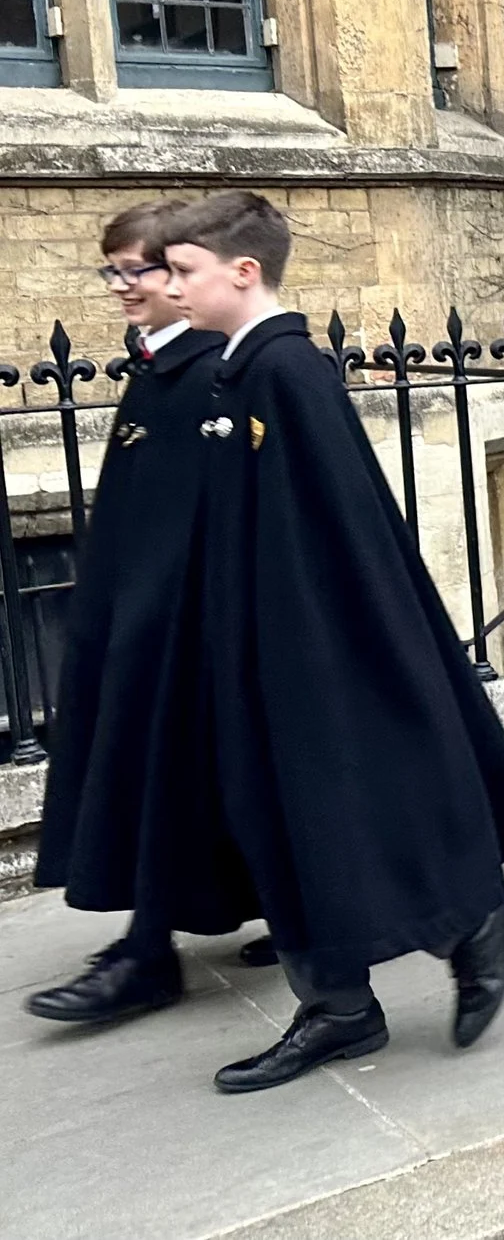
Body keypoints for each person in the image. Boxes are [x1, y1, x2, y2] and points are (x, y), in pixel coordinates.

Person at [154, 191, 504, 1093]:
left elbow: (342, 532)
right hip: (253, 647)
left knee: (343, 814)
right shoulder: (239, 368)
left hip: (310, 651)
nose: (170, 287)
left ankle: (468, 923)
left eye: (185, 270)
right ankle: (338, 1005)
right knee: (280, 824)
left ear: (243, 271)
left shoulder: (289, 373)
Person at [25, 199, 268, 1028]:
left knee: (175, 777)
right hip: (132, 617)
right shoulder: (157, 367)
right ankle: (278, 907)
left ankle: (147, 952)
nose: (126, 286)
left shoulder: (209, 373)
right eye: (116, 270)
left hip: (178, 630)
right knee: (188, 782)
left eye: (142, 270)